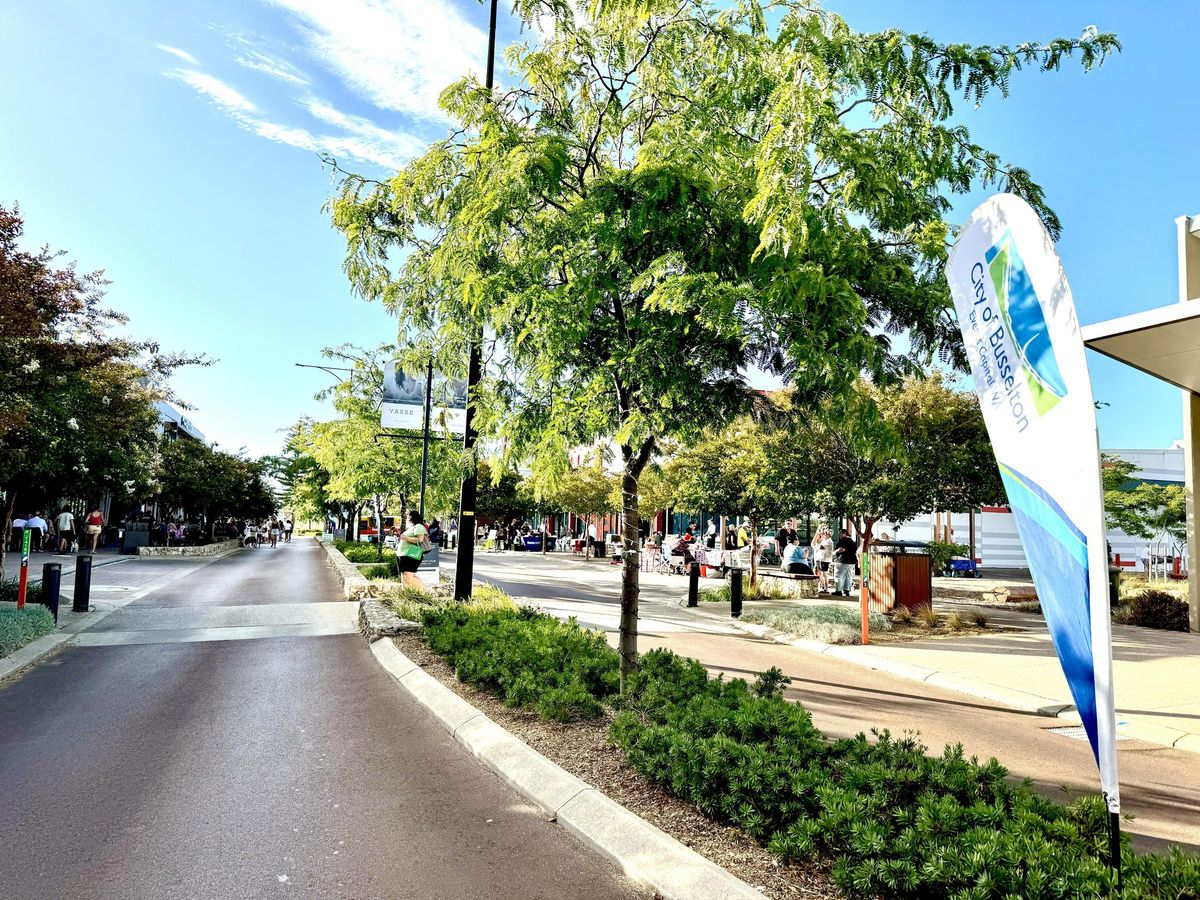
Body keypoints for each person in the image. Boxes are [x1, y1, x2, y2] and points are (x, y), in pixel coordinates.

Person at [397, 510, 429, 590]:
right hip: (405, 555)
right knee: (405, 577)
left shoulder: (419, 526)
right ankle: (406, 596)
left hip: (411, 554)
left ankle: (426, 591)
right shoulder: (413, 527)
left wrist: (406, 538)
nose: (408, 518)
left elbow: (420, 539)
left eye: (409, 516)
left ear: (413, 517)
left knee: (409, 577)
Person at [833, 528, 858, 597]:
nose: (840, 535)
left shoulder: (843, 541)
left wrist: (834, 552)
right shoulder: (852, 542)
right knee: (848, 576)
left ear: (844, 534)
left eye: (841, 533)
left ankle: (838, 591)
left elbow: (841, 549)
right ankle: (846, 590)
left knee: (839, 576)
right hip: (852, 561)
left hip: (843, 560)